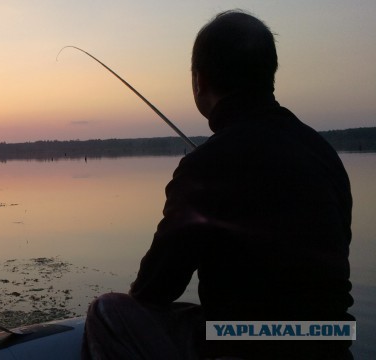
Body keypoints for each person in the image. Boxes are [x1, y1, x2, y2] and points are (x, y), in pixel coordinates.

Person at [82, 10, 353, 360]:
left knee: (107, 311)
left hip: (245, 344)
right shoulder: (323, 153)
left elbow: (155, 289)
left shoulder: (205, 165)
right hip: (332, 344)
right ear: (269, 76)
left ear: (200, 81)